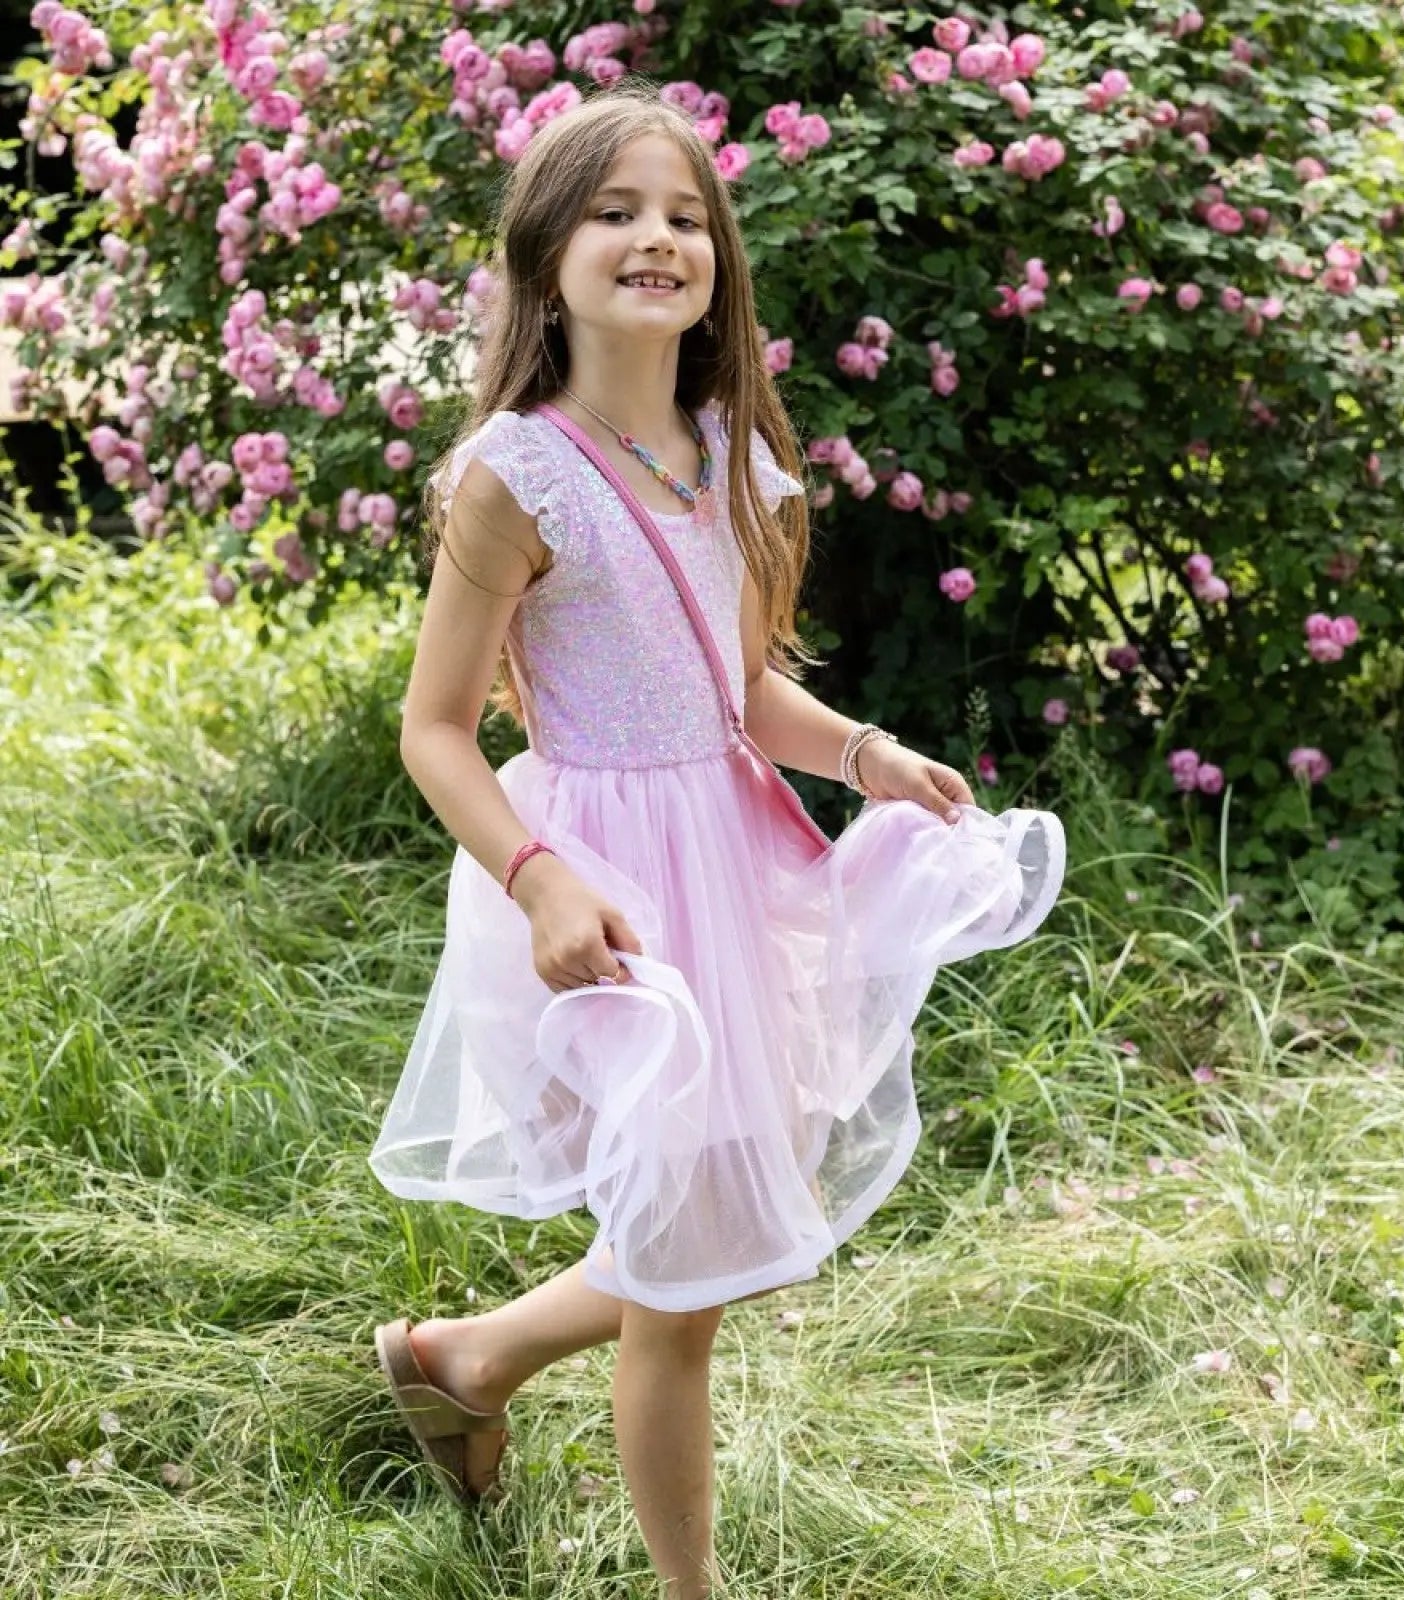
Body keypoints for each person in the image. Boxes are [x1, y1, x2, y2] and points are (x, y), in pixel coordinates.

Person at [368, 79, 1065, 1599]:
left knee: (723, 1210)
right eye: (615, 212)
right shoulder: (517, 473)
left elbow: (742, 691)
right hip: (606, 886)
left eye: (684, 214)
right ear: (549, 254)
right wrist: (539, 880)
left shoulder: (730, 455)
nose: (656, 238)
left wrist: (868, 755)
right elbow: (436, 729)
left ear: (718, 258)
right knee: (685, 1282)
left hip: (734, 866)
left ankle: (462, 1360)